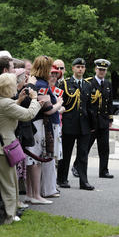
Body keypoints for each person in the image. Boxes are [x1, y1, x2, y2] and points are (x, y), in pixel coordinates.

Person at [0, 73, 42, 223]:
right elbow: (28, 114)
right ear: (9, 87)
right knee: (10, 183)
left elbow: (7, 112)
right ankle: (10, 216)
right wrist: (34, 99)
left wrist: (18, 101)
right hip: (3, 147)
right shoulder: (6, 103)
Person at [25, 55, 63, 205]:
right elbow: (47, 109)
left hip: (35, 123)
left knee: (33, 159)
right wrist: (59, 104)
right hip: (39, 125)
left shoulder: (37, 82)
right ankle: (35, 194)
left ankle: (31, 193)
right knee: (36, 159)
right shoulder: (41, 85)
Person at [57, 58, 95, 190]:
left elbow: (90, 106)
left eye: (82, 67)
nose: (80, 69)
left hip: (84, 124)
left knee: (83, 154)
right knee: (66, 153)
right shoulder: (66, 84)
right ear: (73, 68)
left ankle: (83, 181)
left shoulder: (87, 85)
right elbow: (61, 102)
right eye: (78, 66)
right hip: (69, 123)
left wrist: (92, 125)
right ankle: (62, 179)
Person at [85, 59, 114, 178]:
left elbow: (110, 102)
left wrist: (110, 119)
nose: (102, 72)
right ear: (95, 69)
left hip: (103, 121)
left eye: (104, 70)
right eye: (100, 69)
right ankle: (77, 167)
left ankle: (103, 170)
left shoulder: (107, 84)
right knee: (86, 147)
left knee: (104, 148)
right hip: (92, 121)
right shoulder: (89, 83)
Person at [40, 66, 64, 198]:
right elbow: (48, 109)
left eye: (56, 75)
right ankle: (47, 189)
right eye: (51, 74)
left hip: (55, 124)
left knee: (52, 158)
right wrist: (59, 105)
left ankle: (51, 186)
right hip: (48, 125)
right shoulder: (44, 89)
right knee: (47, 157)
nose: (54, 77)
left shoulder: (55, 90)